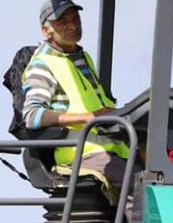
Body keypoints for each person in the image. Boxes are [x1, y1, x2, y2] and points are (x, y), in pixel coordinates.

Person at [22, 0, 133, 209]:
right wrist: (87, 118)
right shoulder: (42, 65)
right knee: (134, 182)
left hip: (108, 148)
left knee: (158, 172)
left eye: (75, 18)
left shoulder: (83, 58)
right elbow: (32, 115)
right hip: (78, 153)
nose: (72, 25)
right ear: (46, 31)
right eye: (62, 21)